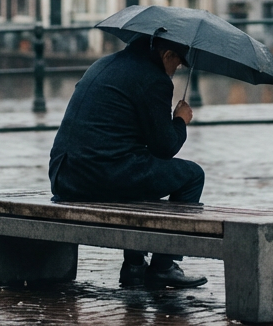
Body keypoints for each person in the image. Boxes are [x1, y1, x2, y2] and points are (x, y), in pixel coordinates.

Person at [48, 35, 207, 289]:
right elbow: (165, 147)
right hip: (100, 176)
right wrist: (180, 120)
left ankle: (134, 266)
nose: (176, 71)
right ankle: (163, 267)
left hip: (63, 174)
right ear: (167, 56)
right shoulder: (154, 79)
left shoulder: (103, 64)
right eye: (177, 64)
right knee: (192, 175)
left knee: (142, 168)